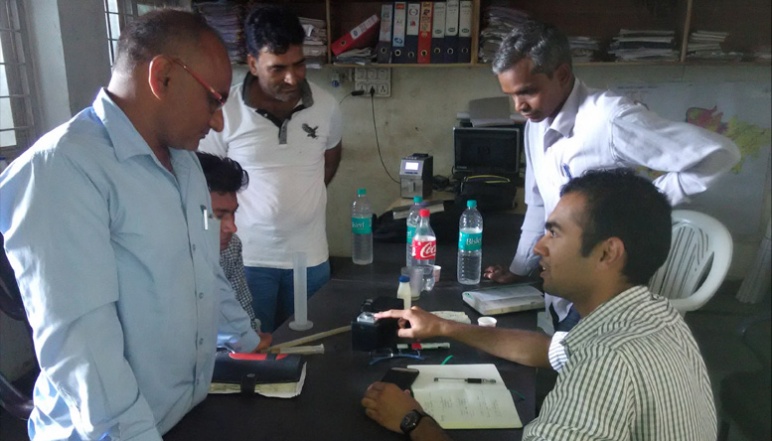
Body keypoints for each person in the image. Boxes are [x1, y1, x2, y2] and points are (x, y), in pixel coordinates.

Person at [0, 9, 269, 440]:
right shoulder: (63, 171)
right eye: (214, 101)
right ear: (162, 76)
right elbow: (83, 349)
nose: (219, 121)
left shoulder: (183, 164)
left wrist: (246, 341)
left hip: (179, 413)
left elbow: (204, 271)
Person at [361, 168, 716, 440]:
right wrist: (443, 327)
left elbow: (595, 364)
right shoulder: (655, 315)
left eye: (555, 233)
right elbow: (548, 350)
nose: (538, 247)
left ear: (608, 252)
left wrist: (413, 421)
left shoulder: (605, 363)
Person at [482, 20, 740, 332]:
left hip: (601, 292)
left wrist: (644, 201)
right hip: (565, 286)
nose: (519, 106)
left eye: (527, 92)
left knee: (586, 366)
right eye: (511, 95)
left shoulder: (610, 120)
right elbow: (539, 202)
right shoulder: (536, 124)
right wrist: (521, 268)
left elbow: (719, 154)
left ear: (562, 75)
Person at [199, 5, 343, 332]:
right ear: (252, 63)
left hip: (311, 258)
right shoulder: (225, 112)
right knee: (254, 354)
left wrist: (299, 203)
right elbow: (210, 186)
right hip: (248, 260)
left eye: (299, 64)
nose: (292, 78)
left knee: (312, 351)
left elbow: (331, 157)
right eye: (278, 68)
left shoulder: (326, 106)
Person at [196, 152, 272, 342]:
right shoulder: (166, 256)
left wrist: (253, 337)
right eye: (219, 216)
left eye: (233, 214)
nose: (232, 227)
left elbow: (242, 308)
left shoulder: (231, 247)